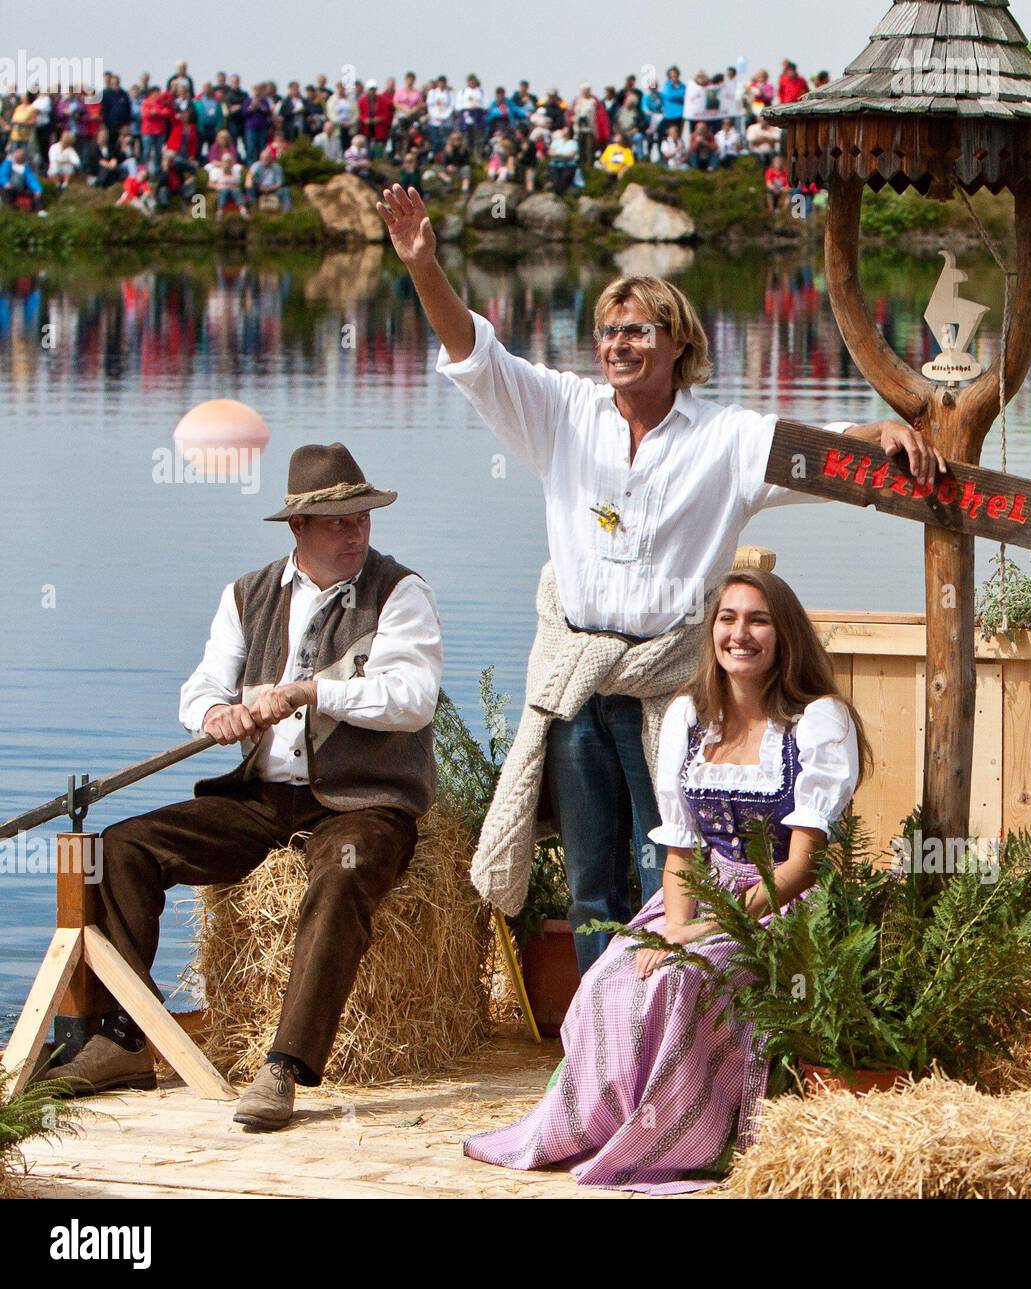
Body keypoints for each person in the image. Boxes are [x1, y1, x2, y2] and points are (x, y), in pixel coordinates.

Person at [376, 187, 941, 974]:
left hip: (672, 692)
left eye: (636, 330)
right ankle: (598, 1044)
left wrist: (877, 434)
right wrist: (423, 266)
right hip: (577, 682)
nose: (617, 344)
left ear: (678, 341)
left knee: (668, 872)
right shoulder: (563, 413)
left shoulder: (726, 438)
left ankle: (680, 1028)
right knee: (590, 886)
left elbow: (817, 450)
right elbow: (476, 356)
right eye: (608, 331)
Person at [43, 444, 442, 1131]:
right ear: (298, 529)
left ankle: (282, 1067)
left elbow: (413, 698)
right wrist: (215, 714)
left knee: (339, 876)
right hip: (259, 798)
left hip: (362, 799)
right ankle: (124, 1038)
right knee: (121, 848)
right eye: (338, 522)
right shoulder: (246, 594)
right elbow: (200, 687)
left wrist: (313, 690)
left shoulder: (402, 593)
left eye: (362, 519)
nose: (355, 533)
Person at [464, 569, 865, 1190]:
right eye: (727, 619)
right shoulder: (688, 718)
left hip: (779, 905)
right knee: (609, 979)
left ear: (784, 635)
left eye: (758, 620)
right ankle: (602, 1128)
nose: (740, 634)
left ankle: (676, 1138)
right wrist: (678, 927)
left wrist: (708, 932)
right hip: (696, 899)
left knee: (682, 982)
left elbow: (802, 864)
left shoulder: (818, 721)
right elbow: (679, 849)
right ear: (711, 632)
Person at [248, 145, 290, 211]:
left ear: (271, 158)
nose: (266, 160)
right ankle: (253, 208)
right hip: (259, 188)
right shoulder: (256, 166)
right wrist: (257, 186)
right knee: (250, 188)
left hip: (273, 189)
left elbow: (279, 183)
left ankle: (287, 211)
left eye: (267, 158)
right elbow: (250, 177)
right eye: (264, 158)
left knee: (285, 190)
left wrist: (269, 188)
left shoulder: (277, 168)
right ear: (260, 158)